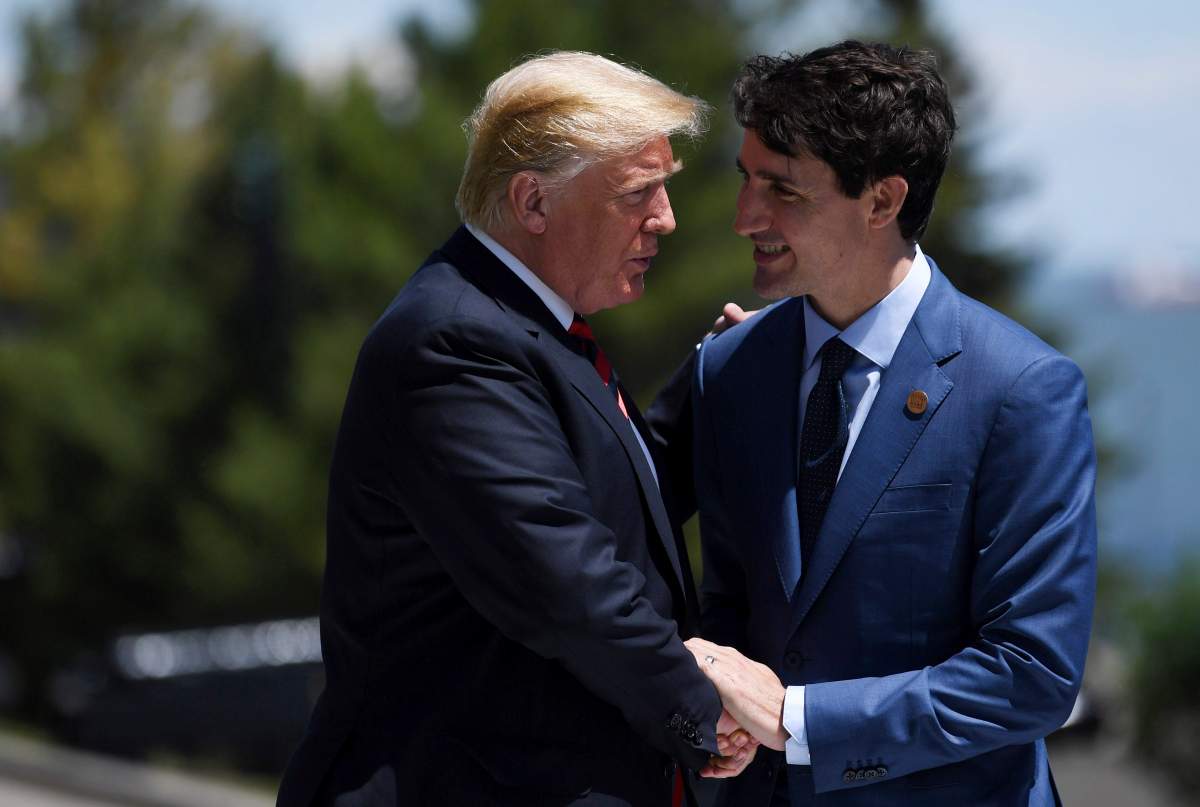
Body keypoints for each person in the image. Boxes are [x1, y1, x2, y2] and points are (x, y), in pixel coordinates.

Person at [276, 52, 752, 807]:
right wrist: (709, 712)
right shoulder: (455, 341)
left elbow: (618, 497)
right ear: (533, 202)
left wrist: (728, 370)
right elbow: (565, 577)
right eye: (640, 192)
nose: (666, 217)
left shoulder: (528, 324)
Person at [679, 41, 1097, 806]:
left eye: (783, 191)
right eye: (746, 180)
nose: (745, 217)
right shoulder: (726, 371)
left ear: (882, 200)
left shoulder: (1022, 389)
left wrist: (797, 719)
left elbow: (1031, 673)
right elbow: (731, 603)